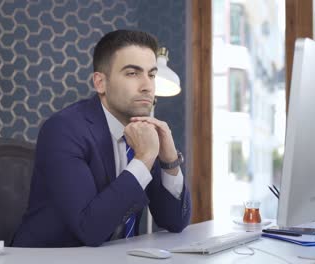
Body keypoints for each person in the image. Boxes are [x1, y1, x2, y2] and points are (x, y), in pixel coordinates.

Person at [12, 29, 191, 247]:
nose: (147, 86)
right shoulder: (63, 130)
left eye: (151, 74)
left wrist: (169, 161)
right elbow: (90, 229)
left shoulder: (142, 132)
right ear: (100, 83)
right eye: (132, 73)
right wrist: (143, 159)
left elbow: (174, 221)